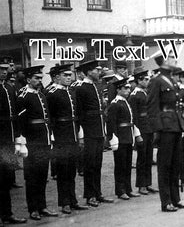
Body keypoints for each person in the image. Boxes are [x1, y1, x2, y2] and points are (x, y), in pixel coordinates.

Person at [147, 56, 184, 212]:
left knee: (175, 163)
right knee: (165, 165)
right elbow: (152, 108)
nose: (175, 61)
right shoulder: (156, 81)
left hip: (176, 125)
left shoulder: (171, 80)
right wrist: (157, 130)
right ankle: (166, 202)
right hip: (165, 127)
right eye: (172, 58)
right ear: (164, 62)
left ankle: (176, 199)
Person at [16, 65, 58, 221]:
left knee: (42, 175)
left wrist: (50, 137)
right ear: (28, 79)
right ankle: (33, 209)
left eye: (41, 78)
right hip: (32, 142)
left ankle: (42, 206)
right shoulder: (23, 96)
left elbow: (47, 119)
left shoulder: (41, 95)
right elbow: (21, 122)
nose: (39, 81)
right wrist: (22, 143)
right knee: (32, 177)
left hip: (44, 140)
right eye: (36, 78)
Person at [46, 64, 89, 214]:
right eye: (65, 75)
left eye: (70, 75)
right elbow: (49, 117)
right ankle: (64, 202)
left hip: (73, 135)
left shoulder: (72, 92)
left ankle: (73, 201)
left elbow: (78, 115)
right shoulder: (51, 93)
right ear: (57, 77)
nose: (69, 78)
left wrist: (80, 134)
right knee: (63, 171)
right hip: (60, 136)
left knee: (72, 170)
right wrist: (51, 136)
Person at [75, 60, 114, 207]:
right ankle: (89, 195)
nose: (99, 72)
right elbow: (80, 113)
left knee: (97, 164)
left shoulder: (95, 86)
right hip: (89, 131)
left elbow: (100, 112)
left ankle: (98, 193)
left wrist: (103, 131)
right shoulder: (82, 88)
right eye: (97, 70)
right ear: (89, 72)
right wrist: (82, 134)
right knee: (89, 165)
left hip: (98, 130)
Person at [0, 63, 27, 225]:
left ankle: (7, 214)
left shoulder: (9, 89)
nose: (4, 72)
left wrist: (18, 137)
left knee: (5, 180)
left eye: (5, 70)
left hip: (8, 140)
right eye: (0, 70)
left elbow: (16, 114)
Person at [106, 78, 141, 200]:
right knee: (120, 165)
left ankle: (128, 189)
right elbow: (111, 124)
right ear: (118, 89)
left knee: (127, 164)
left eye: (128, 88)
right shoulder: (115, 104)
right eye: (125, 88)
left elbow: (131, 121)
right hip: (120, 138)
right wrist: (113, 139)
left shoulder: (126, 102)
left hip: (128, 136)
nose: (128, 90)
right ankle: (120, 190)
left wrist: (136, 134)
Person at [129, 68, 158, 196]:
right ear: (139, 80)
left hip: (149, 129)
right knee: (142, 159)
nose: (147, 82)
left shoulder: (145, 93)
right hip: (141, 130)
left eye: (148, 79)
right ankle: (141, 185)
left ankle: (148, 183)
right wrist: (137, 134)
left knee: (148, 157)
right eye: (145, 79)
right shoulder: (135, 95)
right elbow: (134, 117)